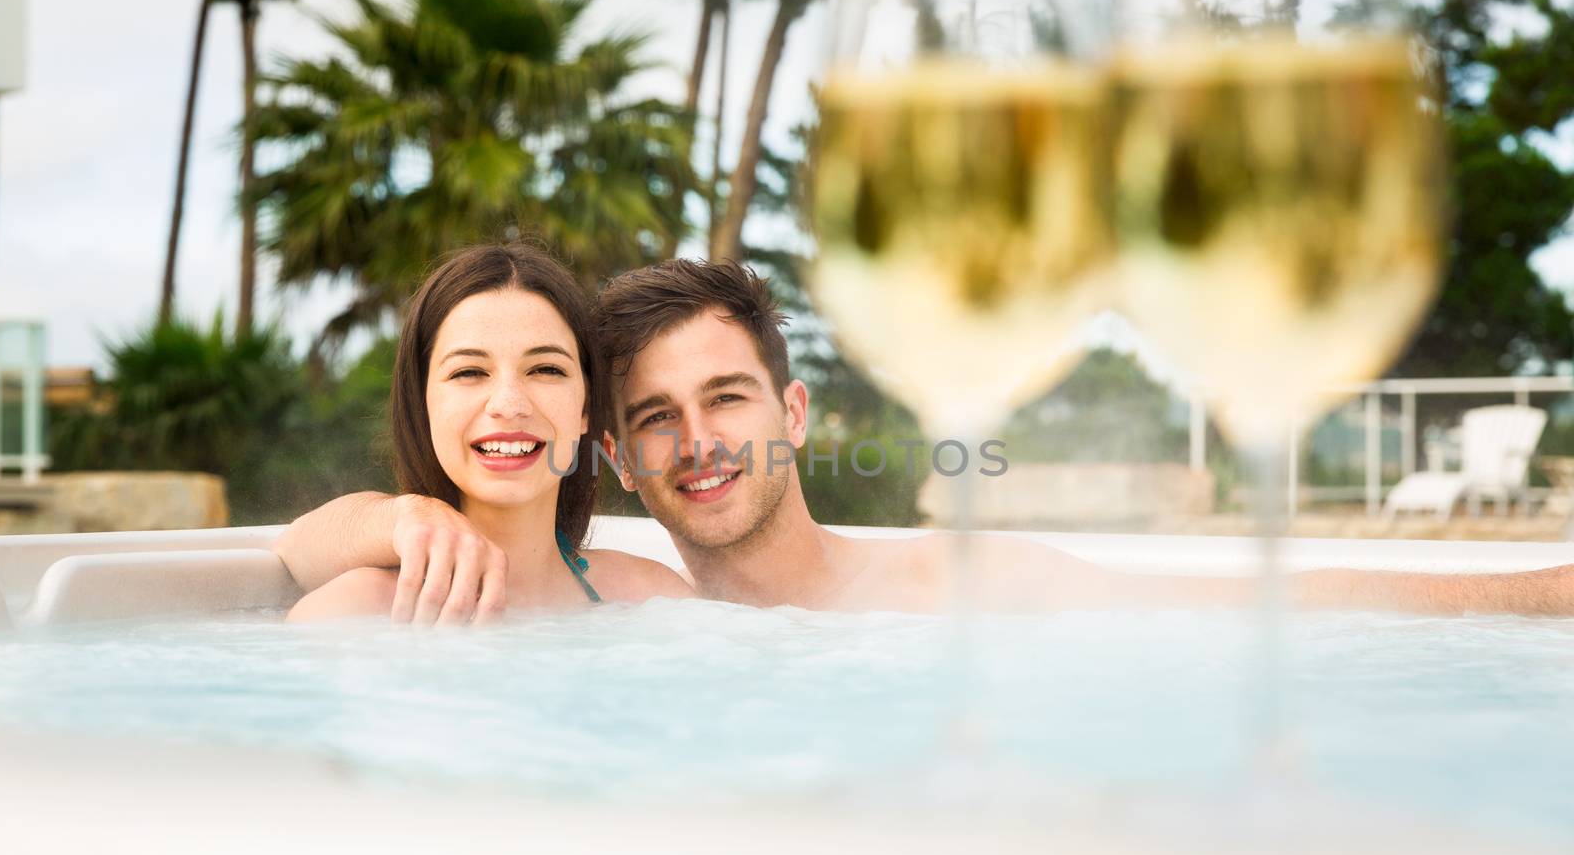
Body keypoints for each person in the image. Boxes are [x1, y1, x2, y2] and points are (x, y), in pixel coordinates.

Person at [278, 258, 1574, 620]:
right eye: (656, 419)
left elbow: (1265, 602)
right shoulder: (636, 605)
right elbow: (315, 558)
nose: (699, 442)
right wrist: (387, 518)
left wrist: (1543, 594)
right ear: (611, 456)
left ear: (794, 416)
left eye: (728, 398)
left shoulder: (961, 582)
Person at [278, 242, 693, 622]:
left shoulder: (653, 602)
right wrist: (409, 513)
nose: (509, 404)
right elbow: (292, 546)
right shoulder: (352, 614)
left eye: (546, 369)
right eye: (469, 372)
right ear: (422, 406)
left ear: (586, 408)